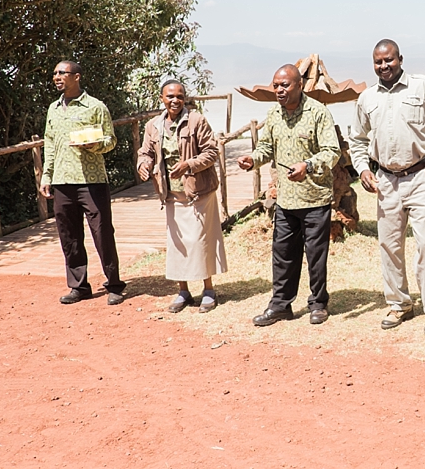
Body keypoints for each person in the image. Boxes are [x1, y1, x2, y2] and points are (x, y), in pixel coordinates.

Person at [349, 39, 425, 337]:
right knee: (390, 246)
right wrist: (362, 169)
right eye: (378, 62)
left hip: (421, 177)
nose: (384, 66)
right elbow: (357, 139)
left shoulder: (422, 87)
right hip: (385, 181)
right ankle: (399, 303)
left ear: (400, 59)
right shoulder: (367, 98)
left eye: (389, 60)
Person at [237, 65, 341, 326]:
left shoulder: (318, 113)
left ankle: (318, 303)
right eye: (276, 86)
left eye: (285, 85)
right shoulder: (273, 114)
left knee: (315, 256)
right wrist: (253, 159)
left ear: (300, 86)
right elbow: (266, 147)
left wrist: (308, 165)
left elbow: (332, 151)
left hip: (314, 199)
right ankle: (281, 305)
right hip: (285, 201)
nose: (279, 90)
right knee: (283, 255)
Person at [137, 80, 228, 313]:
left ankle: (208, 290)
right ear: (161, 99)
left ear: (185, 98)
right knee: (177, 244)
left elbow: (212, 152)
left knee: (200, 241)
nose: (175, 100)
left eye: (180, 96)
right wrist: (144, 165)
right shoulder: (153, 126)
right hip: (170, 194)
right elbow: (145, 152)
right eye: (170, 96)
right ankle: (183, 292)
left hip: (198, 192)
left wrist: (188, 164)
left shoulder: (196, 120)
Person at [39, 60, 126, 305]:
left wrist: (95, 145)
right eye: (54, 73)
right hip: (62, 182)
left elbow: (111, 140)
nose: (57, 77)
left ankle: (114, 284)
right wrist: (47, 176)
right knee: (69, 236)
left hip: (92, 181)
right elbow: (50, 144)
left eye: (62, 73)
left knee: (102, 233)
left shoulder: (95, 106)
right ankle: (79, 286)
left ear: (76, 76)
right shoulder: (53, 109)